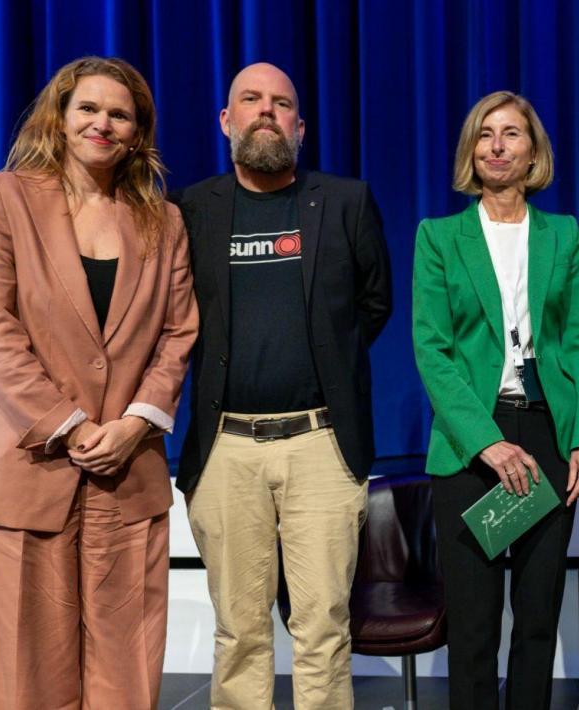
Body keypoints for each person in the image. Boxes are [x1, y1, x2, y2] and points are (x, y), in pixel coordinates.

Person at [0, 56, 196, 709]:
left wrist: (136, 422)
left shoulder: (163, 222)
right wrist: (71, 427)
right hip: (26, 467)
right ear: (59, 119)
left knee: (126, 672)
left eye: (120, 114)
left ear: (137, 132)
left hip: (127, 469)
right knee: (23, 675)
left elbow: (178, 334)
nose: (103, 124)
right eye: (88, 108)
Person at [172, 62, 392, 710]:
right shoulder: (189, 210)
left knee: (322, 628)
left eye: (281, 103)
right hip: (226, 449)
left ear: (300, 126)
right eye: (251, 100)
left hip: (320, 445)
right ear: (225, 120)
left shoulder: (346, 200)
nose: (266, 111)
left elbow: (373, 305)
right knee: (239, 632)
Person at [413, 90, 579, 710]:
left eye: (512, 133)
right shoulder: (438, 238)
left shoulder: (563, 234)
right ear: (473, 149)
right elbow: (433, 352)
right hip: (471, 445)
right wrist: (488, 443)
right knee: (473, 628)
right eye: (486, 133)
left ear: (533, 152)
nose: (498, 145)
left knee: (538, 619)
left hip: (548, 432)